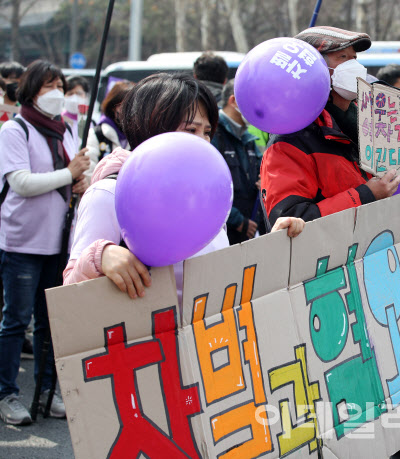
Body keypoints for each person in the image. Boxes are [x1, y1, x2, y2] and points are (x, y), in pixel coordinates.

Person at [261, 25, 400, 458]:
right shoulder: (291, 141)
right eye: (341, 56)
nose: (353, 64)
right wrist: (364, 196)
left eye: (356, 55)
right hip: (330, 298)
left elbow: (394, 196)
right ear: (312, 68)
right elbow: (290, 221)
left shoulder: (375, 125)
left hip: (379, 282)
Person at [63, 73, 303, 303]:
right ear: (151, 127)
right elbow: (69, 295)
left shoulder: (207, 196)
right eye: (191, 130)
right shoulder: (109, 193)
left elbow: (221, 274)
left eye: (207, 132)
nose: (204, 141)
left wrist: (273, 246)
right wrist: (99, 256)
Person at [0, 60, 91, 425]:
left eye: (59, 85)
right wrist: (67, 175)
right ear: (30, 90)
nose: (55, 93)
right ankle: (7, 393)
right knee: (15, 320)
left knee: (49, 322)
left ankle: (47, 392)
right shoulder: (15, 130)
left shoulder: (65, 129)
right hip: (23, 241)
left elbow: (71, 176)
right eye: (47, 86)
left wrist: (79, 180)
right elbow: (21, 182)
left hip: (58, 242)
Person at [212, 79, 266, 244]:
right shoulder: (214, 133)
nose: (258, 108)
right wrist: (238, 221)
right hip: (224, 231)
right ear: (233, 100)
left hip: (249, 231)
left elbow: (261, 172)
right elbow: (211, 190)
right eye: (253, 102)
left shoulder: (248, 137)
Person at [85, 81, 134, 175]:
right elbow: (89, 172)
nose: (129, 110)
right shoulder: (97, 134)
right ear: (113, 106)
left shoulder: (140, 135)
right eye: (123, 105)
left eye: (132, 105)